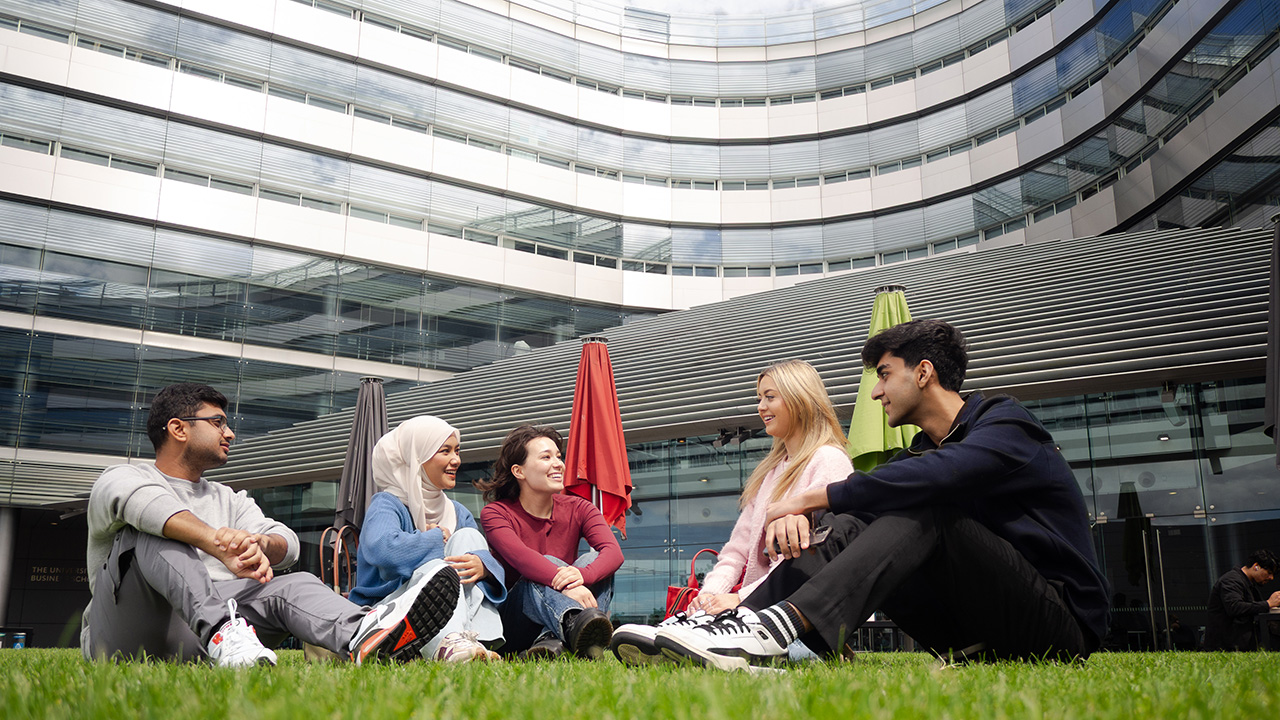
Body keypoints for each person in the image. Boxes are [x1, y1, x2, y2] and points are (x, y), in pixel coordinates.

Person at [654, 319, 1110, 670]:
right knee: (853, 523)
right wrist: (810, 523)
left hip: (1060, 626)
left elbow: (943, 474)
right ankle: (734, 626)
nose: (875, 392)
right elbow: (863, 504)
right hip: (976, 629)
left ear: (924, 373)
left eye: (885, 375)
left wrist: (808, 500)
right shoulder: (921, 451)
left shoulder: (1006, 425)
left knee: (926, 512)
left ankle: (776, 628)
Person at [82, 383, 462, 667]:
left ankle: (364, 634)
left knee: (294, 582)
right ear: (178, 429)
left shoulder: (228, 498)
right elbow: (149, 508)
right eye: (217, 423)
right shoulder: (122, 478)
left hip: (220, 642)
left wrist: (258, 545)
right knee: (148, 533)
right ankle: (222, 631)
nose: (229, 433)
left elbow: (288, 543)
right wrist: (218, 543)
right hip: (128, 635)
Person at [610, 359, 853, 664]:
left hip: (792, 613)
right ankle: (692, 632)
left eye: (769, 396)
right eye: (759, 398)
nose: (760, 407)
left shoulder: (828, 460)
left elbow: (818, 557)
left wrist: (739, 598)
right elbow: (736, 552)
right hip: (749, 607)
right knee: (696, 622)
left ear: (800, 398)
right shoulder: (770, 473)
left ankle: (717, 639)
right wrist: (709, 597)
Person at [347, 416, 506, 662]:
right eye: (445, 451)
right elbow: (384, 551)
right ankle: (449, 643)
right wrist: (434, 538)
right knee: (437, 567)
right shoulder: (387, 504)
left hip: (446, 611)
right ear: (417, 457)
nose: (457, 460)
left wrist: (482, 566)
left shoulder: (457, 512)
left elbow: (487, 565)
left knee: (469, 537)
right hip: (388, 612)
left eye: (457, 450)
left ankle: (469, 640)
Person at [477, 425, 624, 659]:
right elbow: (523, 560)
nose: (558, 463)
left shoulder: (580, 507)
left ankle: (555, 640)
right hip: (517, 622)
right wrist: (569, 584)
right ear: (519, 471)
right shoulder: (495, 513)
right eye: (546, 457)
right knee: (543, 565)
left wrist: (581, 576)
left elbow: (613, 553)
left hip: (562, 603)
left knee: (594, 559)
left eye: (558, 456)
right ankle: (576, 629)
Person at [1202, 550, 1280, 651]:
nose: (1271, 578)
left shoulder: (1248, 584)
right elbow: (1235, 607)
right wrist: (1268, 603)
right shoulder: (1231, 580)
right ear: (1256, 566)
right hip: (1225, 649)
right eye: (1269, 573)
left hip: (1236, 647)